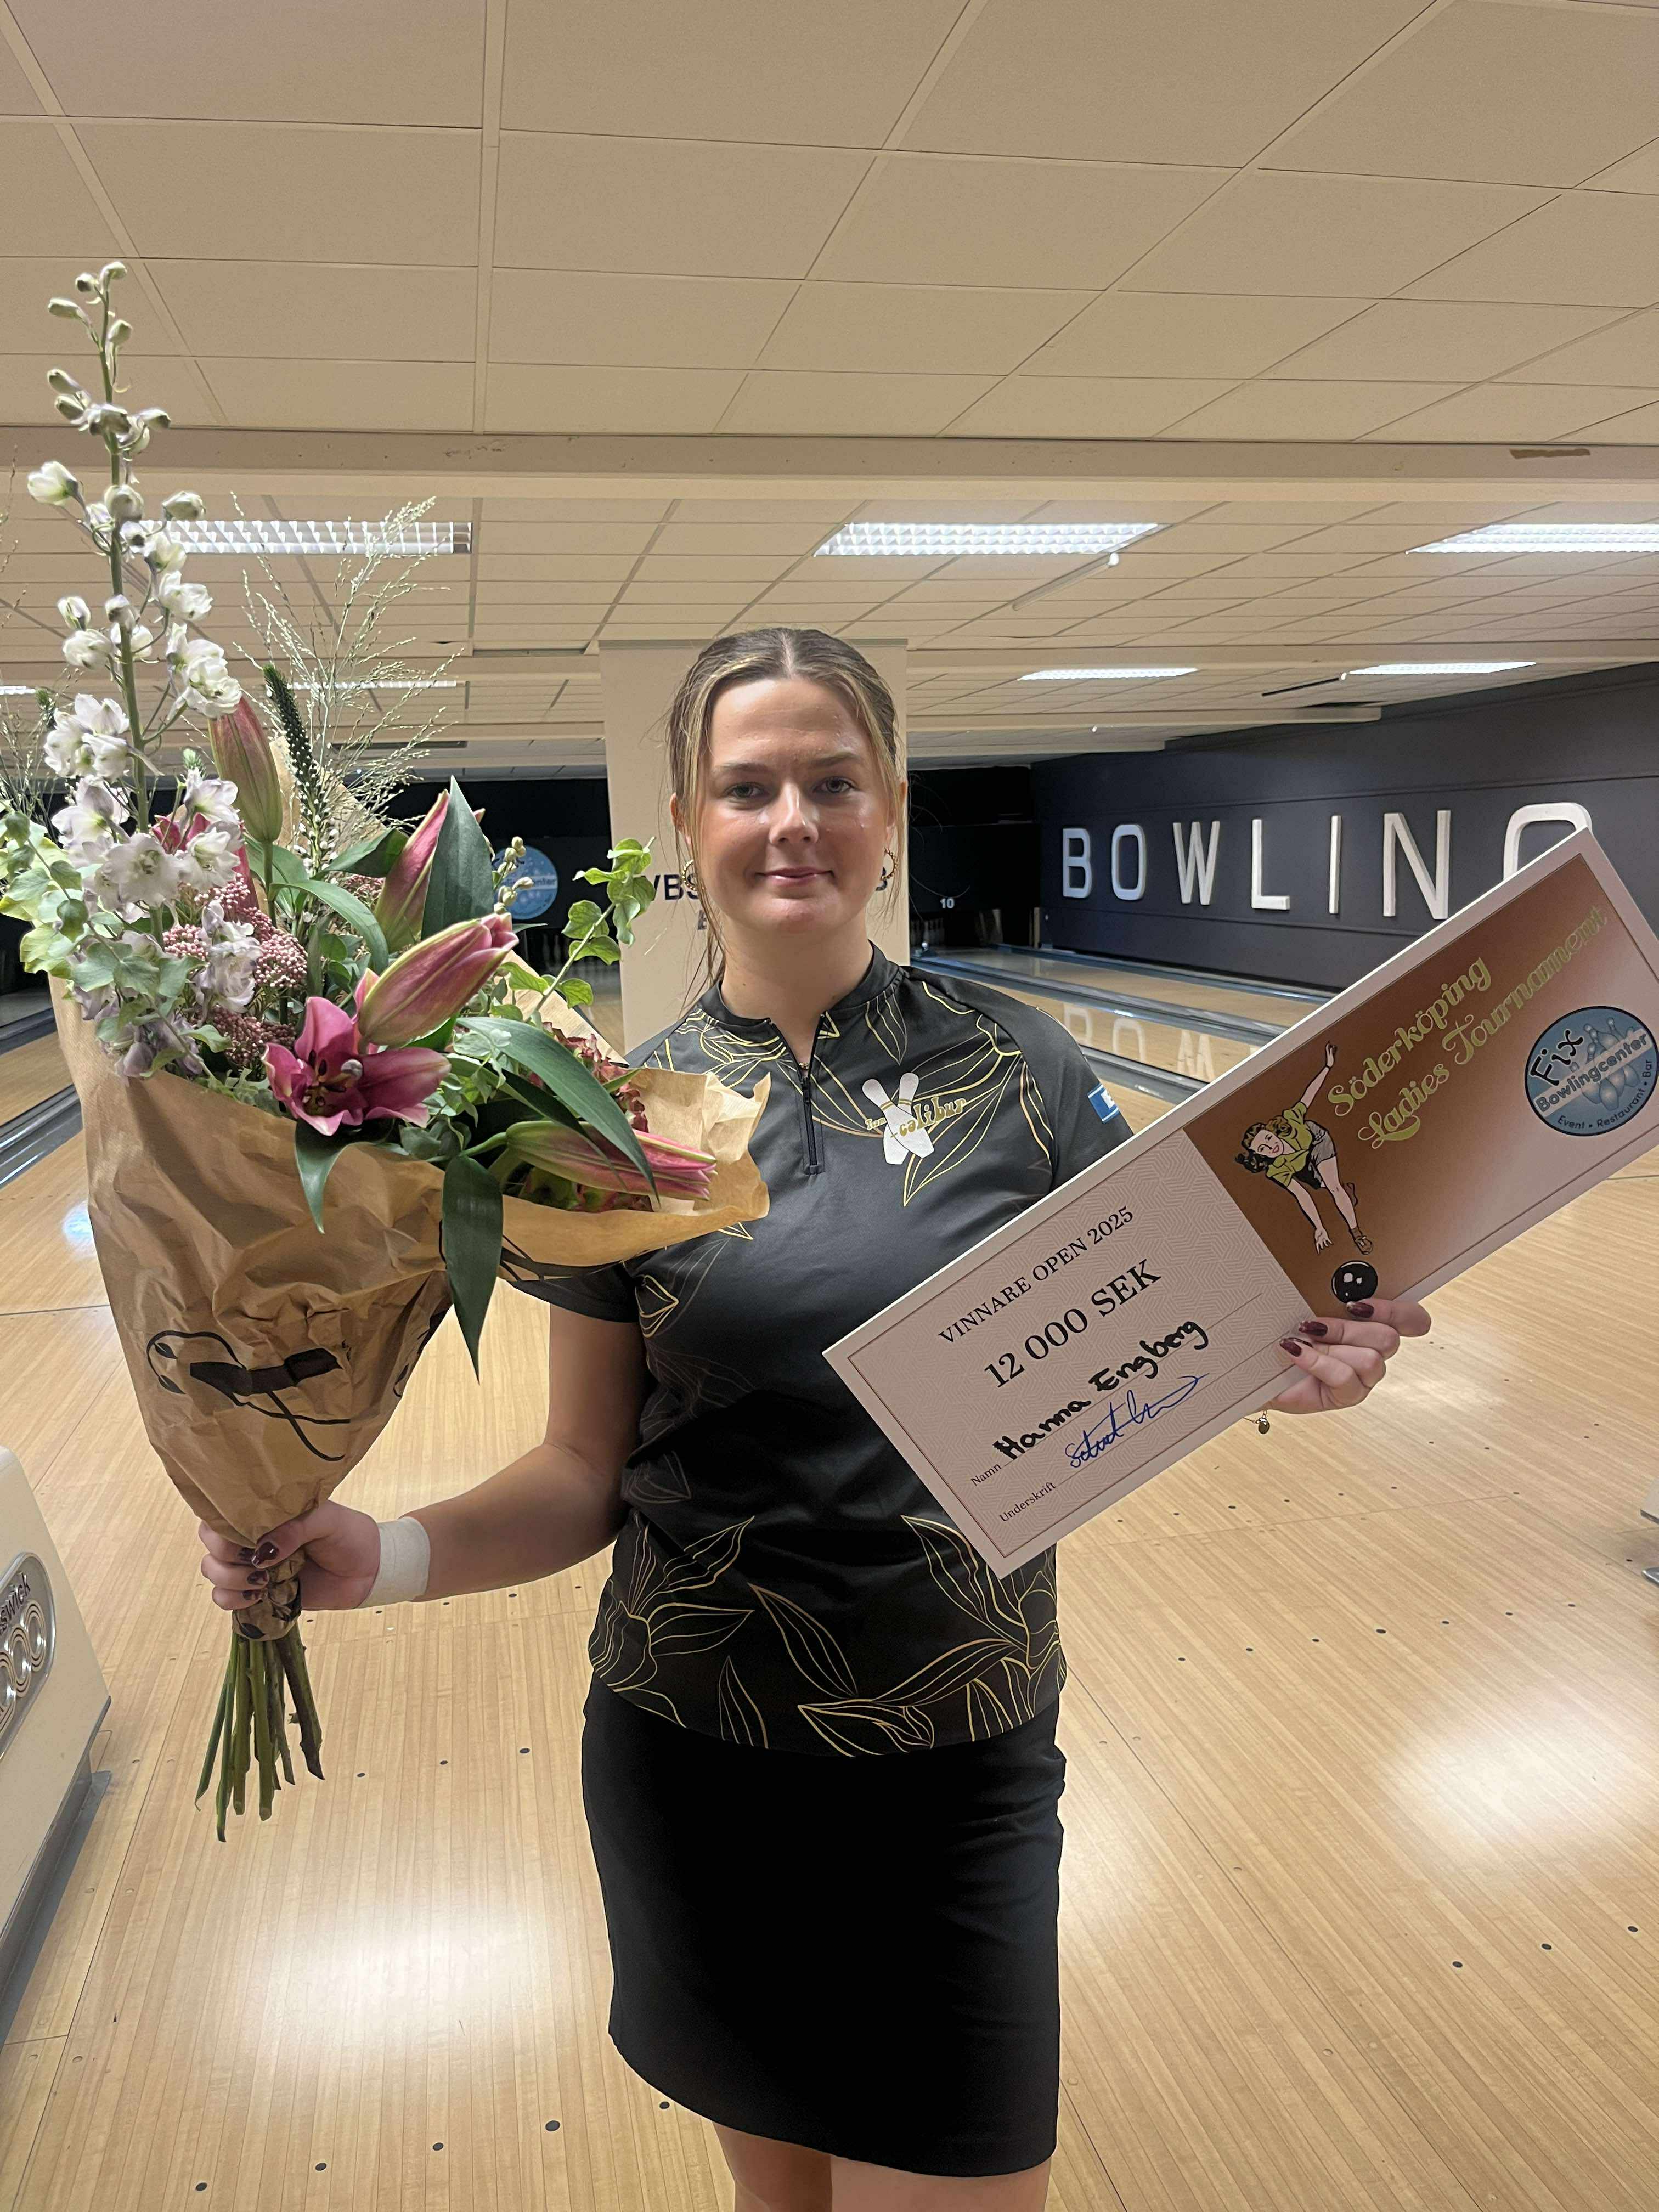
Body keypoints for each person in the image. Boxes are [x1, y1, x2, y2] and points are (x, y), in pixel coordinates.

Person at [198, 629, 1430, 2211]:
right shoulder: (610, 1120)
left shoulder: (1025, 1071)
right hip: (697, 1758)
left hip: (957, 1757)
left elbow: (1179, 1329)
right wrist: (383, 1553)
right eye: (749, 786)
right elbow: (583, 1472)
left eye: (834, 782)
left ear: (891, 809)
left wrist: (1304, 1363)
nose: (794, 820)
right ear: (685, 822)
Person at [1237, 1041, 1373, 1255]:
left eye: (1268, 1139)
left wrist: (1327, 1067)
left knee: (1334, 1187)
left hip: (1317, 1142)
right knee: (1321, 1186)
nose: (1270, 1147)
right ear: (1259, 1154)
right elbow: (1303, 1196)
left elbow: (1309, 1095)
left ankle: (1357, 1234)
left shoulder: (1290, 1119)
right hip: (1301, 1164)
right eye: (1262, 1149)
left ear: (1272, 1131)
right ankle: (1347, 1194)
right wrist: (1319, 1227)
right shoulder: (1276, 1170)